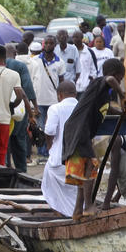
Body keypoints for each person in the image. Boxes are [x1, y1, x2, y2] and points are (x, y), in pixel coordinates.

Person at [62, 57, 126, 218]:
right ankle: (88, 206)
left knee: (84, 171)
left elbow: (108, 108)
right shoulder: (100, 82)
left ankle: (78, 210)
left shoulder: (102, 94)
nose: (119, 81)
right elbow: (110, 79)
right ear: (115, 74)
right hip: (79, 130)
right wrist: (122, 94)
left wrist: (125, 114)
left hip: (79, 131)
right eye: (120, 78)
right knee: (91, 166)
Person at [42, 80, 79, 216]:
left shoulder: (55, 108)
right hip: (79, 160)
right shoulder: (82, 107)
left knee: (48, 177)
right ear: (75, 94)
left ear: (59, 95)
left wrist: (49, 146)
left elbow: (50, 131)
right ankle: (74, 212)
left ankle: (59, 212)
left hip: (59, 160)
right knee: (75, 189)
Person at [30, 34, 66, 159]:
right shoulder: (35, 60)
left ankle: (50, 151)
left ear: (55, 45)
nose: (48, 45)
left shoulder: (60, 62)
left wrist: (61, 97)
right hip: (38, 99)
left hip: (53, 100)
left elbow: (61, 81)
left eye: (51, 43)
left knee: (51, 126)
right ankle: (41, 152)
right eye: (46, 43)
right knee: (40, 127)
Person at [5, 43, 37, 172]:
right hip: (18, 110)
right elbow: (27, 89)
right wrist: (34, 107)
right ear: (15, 53)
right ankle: (21, 170)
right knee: (19, 140)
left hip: (0, 110)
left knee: (3, 142)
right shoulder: (20, 66)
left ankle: (5, 167)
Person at [72, 29, 98, 94]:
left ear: (82, 38)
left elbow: (94, 69)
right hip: (72, 87)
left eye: (77, 37)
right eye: (73, 37)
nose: (75, 39)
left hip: (86, 87)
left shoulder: (89, 52)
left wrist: (91, 81)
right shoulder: (70, 51)